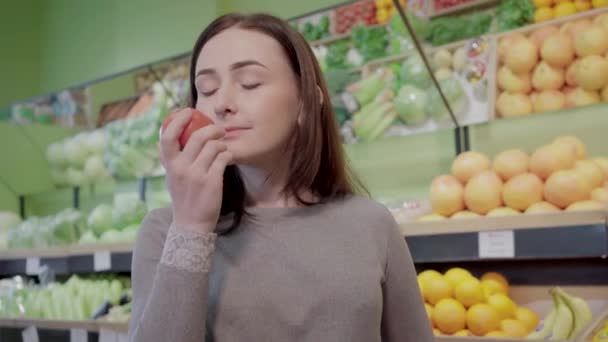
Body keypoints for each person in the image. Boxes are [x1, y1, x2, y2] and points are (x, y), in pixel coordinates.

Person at [128, 13, 433, 342]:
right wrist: (191, 228)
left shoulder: (372, 224)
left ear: (305, 102)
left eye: (250, 83)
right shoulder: (165, 233)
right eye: (207, 88)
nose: (222, 104)